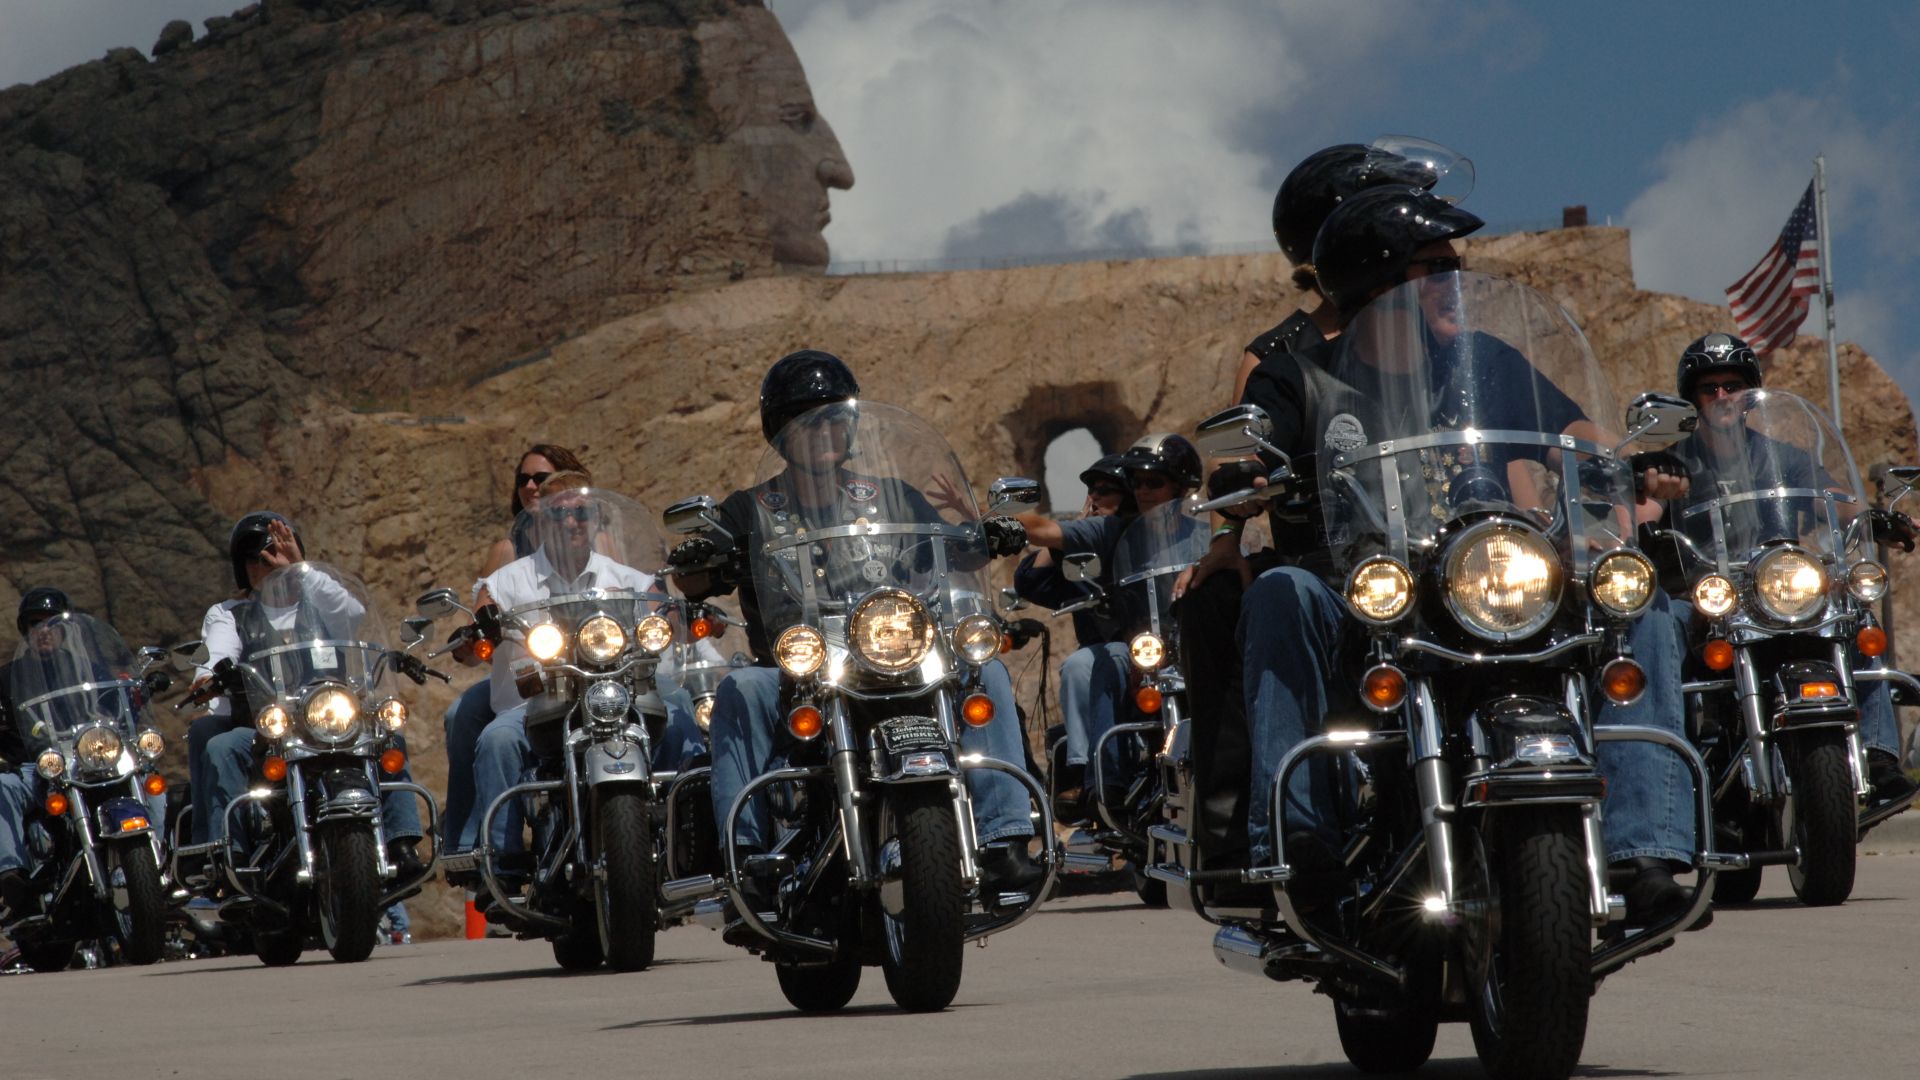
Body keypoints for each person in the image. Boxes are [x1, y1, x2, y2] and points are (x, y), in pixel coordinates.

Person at [1231, 184, 1700, 924]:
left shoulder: (1481, 360)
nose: (1456, 281)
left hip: (1489, 572)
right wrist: (1243, 471)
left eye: (1457, 264)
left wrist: (1643, 460)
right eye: (1434, 267)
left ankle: (1645, 849)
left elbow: (1574, 430)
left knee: (1638, 601)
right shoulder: (1296, 374)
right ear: (1375, 283)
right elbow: (1250, 444)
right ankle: (1299, 839)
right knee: (1278, 592)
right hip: (1363, 586)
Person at [1177, 141, 1455, 869]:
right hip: (1334, 558)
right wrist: (1223, 542)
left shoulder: (1445, 344)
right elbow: (1245, 456)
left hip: (1447, 557)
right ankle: (1251, 828)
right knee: (1235, 602)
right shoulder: (1285, 355)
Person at [670, 349, 1040, 894]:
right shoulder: (750, 508)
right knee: (742, 689)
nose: (825, 430)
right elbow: (695, 580)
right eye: (808, 421)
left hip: (895, 654)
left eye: (835, 418)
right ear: (780, 433)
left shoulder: (890, 497)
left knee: (986, 672)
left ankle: (1004, 838)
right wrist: (701, 560)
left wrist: (986, 536)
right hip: (802, 668)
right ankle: (746, 857)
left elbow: (951, 551)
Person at [1663, 333, 1918, 809]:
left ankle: (1878, 756)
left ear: (1749, 396)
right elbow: (1637, 513)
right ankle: (1679, 777)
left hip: (1776, 587)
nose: (1722, 396)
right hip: (1706, 596)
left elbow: (1836, 500)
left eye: (1733, 385)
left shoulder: (1781, 456)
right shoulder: (1675, 462)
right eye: (1709, 387)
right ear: (1693, 398)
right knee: (1663, 632)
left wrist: (1876, 518)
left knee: (1853, 614)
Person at [457, 474, 707, 863]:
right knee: (496, 742)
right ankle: (501, 861)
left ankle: (691, 842)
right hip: (534, 705)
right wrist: (474, 636)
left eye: (582, 513)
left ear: (596, 519)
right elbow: (475, 638)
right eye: (560, 515)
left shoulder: (626, 579)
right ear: (540, 520)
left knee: (678, 720)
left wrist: (688, 619)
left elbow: (668, 616)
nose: (572, 523)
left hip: (616, 700)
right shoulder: (505, 582)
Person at [184, 513, 425, 880]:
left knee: (386, 730)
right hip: (266, 730)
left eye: (271, 552)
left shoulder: (321, 602)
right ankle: (229, 858)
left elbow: (354, 612)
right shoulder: (230, 615)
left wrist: (299, 568)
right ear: (241, 568)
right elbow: (216, 656)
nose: (264, 564)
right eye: (253, 558)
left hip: (329, 721)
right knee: (221, 746)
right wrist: (209, 675)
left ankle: (400, 840)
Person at [441, 444, 589, 853]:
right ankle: (473, 842)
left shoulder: (595, 534)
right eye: (522, 480)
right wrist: (474, 633)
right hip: (526, 667)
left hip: (592, 665)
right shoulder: (509, 548)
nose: (529, 486)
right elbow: (480, 613)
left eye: (539, 479)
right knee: (464, 715)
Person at [1014, 453, 1135, 809]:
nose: (1094, 498)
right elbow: (1029, 581)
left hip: (1158, 646)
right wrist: (1072, 535)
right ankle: (1087, 772)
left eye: (1105, 491)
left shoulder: (1140, 535)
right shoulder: (1090, 542)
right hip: (1109, 654)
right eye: (1090, 492)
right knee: (1080, 664)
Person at [0, 589, 81, 918]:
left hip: (86, 761)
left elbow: (112, 703)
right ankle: (11, 874)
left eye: (52, 622)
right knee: (2, 785)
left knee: (147, 778)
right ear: (25, 630)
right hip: (36, 767)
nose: (44, 630)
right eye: (35, 624)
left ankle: (155, 865)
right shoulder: (7, 678)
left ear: (65, 628)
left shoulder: (85, 669)